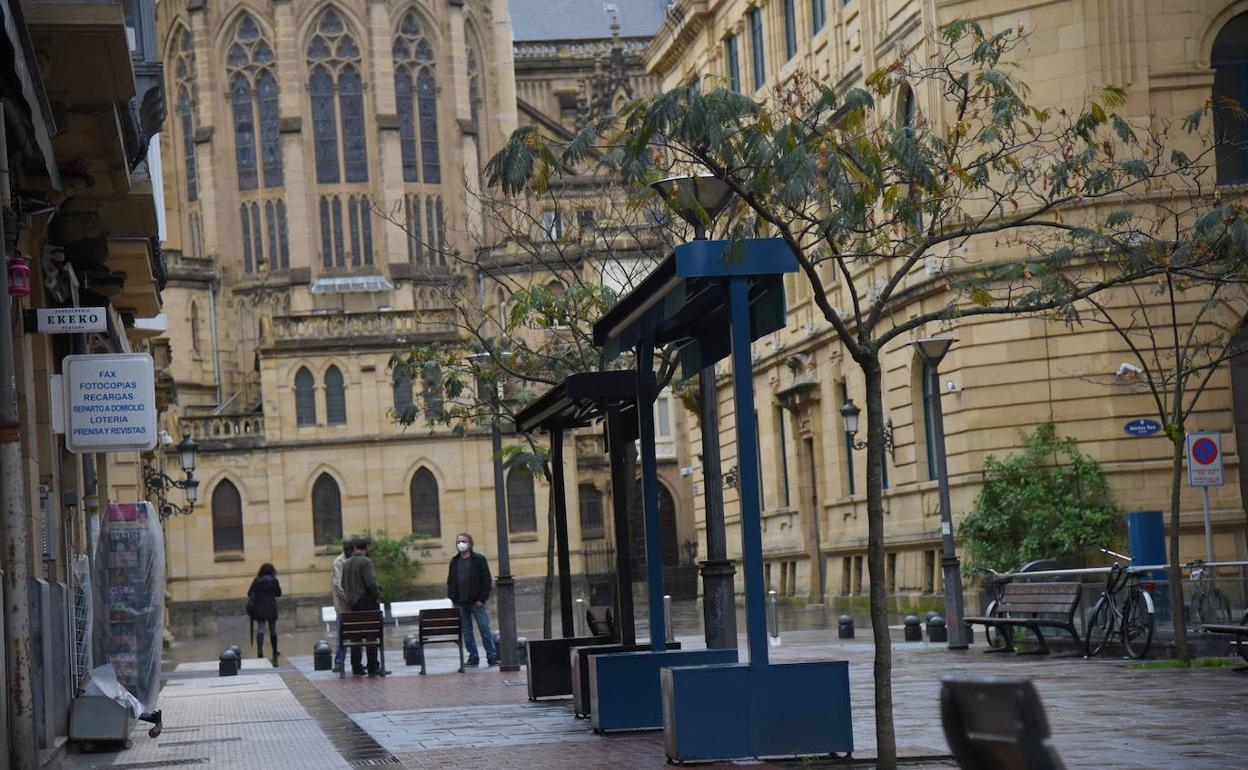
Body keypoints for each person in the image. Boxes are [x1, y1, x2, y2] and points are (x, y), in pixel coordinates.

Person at [446, 533, 498, 666]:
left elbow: (486, 580)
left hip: (476, 602)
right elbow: (450, 581)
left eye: (463, 541)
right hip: (460, 602)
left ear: (469, 543)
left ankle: (491, 655)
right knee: (467, 632)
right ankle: (473, 657)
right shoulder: (455, 561)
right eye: (458, 542)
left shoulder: (478, 559)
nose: (460, 544)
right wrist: (453, 596)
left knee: (484, 629)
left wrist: (482, 599)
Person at [341, 536, 383, 676]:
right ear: (367, 547)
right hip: (367, 604)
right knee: (371, 636)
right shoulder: (366, 562)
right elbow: (371, 583)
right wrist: (378, 595)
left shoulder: (346, 563)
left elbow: (342, 584)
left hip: (352, 605)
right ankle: (373, 666)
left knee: (355, 637)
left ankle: (356, 666)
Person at [247, 563, 282, 664]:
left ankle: (260, 651)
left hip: (259, 607)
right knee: (273, 630)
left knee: (260, 629)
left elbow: (249, 593)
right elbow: (278, 594)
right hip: (271, 607)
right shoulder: (274, 581)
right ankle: (274, 650)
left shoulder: (257, 581)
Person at [329, 537, 355, 673]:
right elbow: (338, 585)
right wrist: (350, 599)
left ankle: (356, 663)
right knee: (342, 635)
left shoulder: (354, 560)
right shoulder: (338, 562)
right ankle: (339, 662)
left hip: (354, 605)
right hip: (343, 606)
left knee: (355, 635)